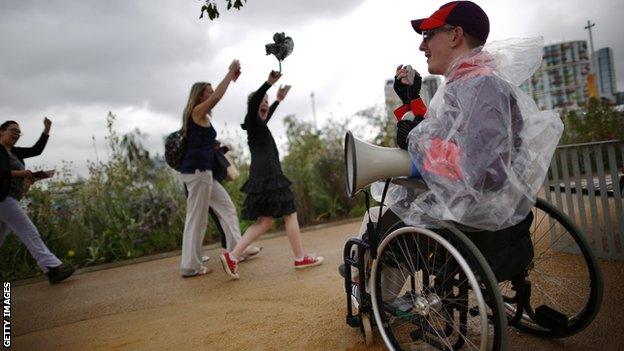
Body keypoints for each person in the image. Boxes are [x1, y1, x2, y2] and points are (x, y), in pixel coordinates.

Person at [346, 1, 563, 284]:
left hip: (472, 221)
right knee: (387, 217)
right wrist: (412, 102)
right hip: (483, 217)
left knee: (379, 220)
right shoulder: (470, 83)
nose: (422, 47)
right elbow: (450, 138)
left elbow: (482, 169)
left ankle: (368, 299)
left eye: (427, 36)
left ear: (455, 35)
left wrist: (417, 143)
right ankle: (373, 291)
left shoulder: (479, 86)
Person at [219, 71, 323, 280]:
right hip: (270, 176)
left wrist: (277, 100)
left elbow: (264, 111)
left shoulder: (257, 126)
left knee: (265, 222)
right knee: (290, 214)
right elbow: (255, 102)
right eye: (262, 101)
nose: (264, 103)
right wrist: (267, 84)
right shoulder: (252, 120)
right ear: (254, 106)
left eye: (266, 101)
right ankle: (300, 257)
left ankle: (233, 256)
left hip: (263, 176)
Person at [178, 59, 259, 277]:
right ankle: (190, 266)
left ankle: (237, 250)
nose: (212, 94)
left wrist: (220, 147)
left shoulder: (201, 118)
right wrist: (230, 75)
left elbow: (203, 145)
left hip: (205, 174)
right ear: (200, 96)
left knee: (227, 207)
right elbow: (217, 98)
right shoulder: (196, 111)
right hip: (197, 174)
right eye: (208, 92)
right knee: (197, 218)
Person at [0, 118, 75, 284]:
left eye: (19, 132)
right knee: (29, 232)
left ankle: (52, 269)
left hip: (9, 200)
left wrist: (46, 130)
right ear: (1, 131)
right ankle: (52, 269)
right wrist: (21, 174)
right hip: (3, 200)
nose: (17, 134)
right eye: (13, 130)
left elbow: (36, 150)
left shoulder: (15, 152)